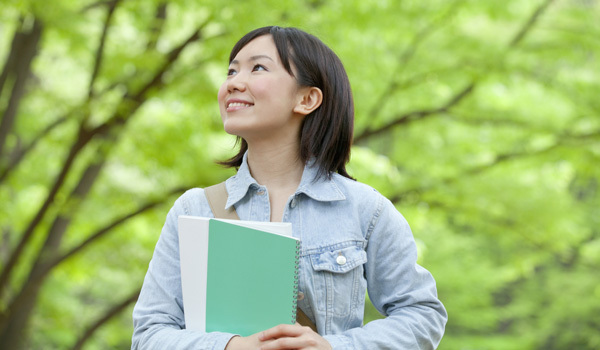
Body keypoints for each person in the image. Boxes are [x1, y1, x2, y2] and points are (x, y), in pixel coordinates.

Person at [132, 26, 447, 350]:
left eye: (258, 67)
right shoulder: (192, 210)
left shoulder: (365, 210)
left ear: (307, 98)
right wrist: (232, 346)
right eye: (231, 70)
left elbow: (422, 314)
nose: (233, 83)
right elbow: (149, 334)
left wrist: (332, 347)